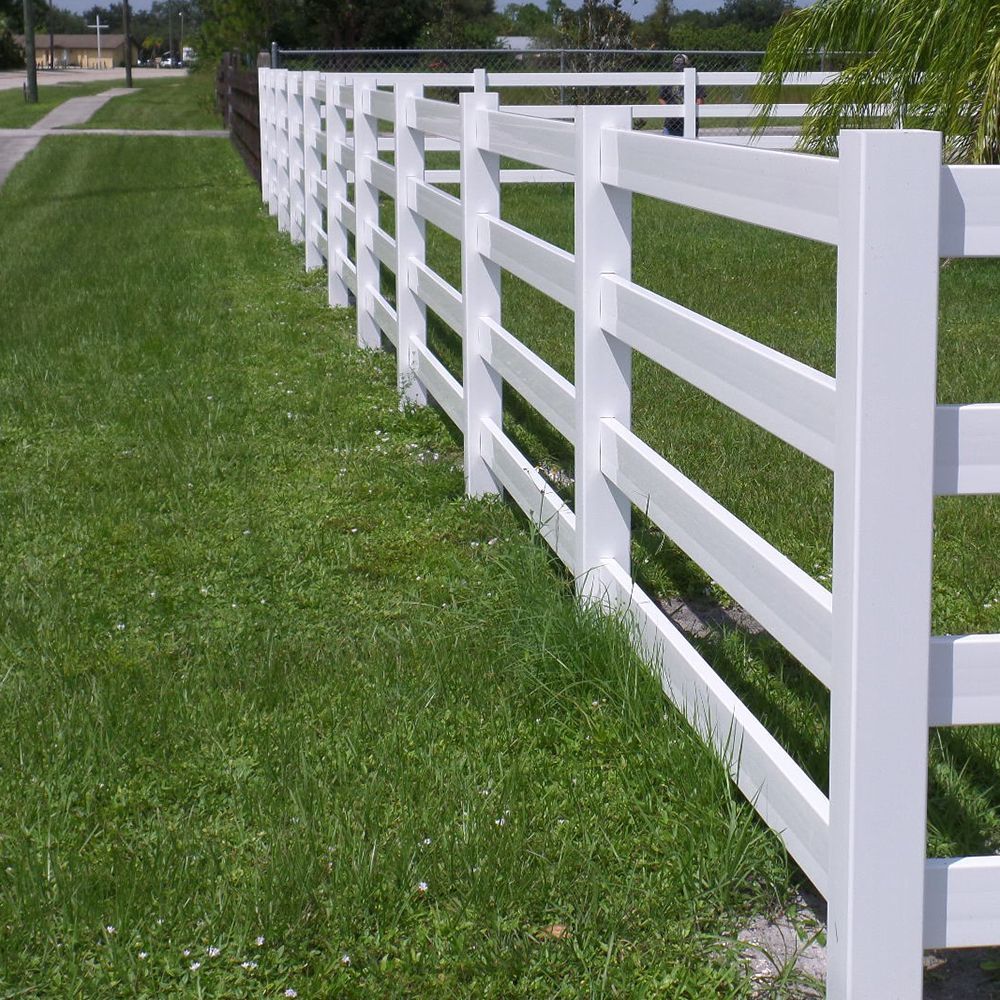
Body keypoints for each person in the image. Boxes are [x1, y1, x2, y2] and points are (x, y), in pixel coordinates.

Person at [659, 53, 706, 137]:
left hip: (689, 123)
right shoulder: (668, 78)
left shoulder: (694, 79)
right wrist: (669, 110)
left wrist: (692, 111)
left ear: (687, 65)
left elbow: (700, 99)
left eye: (681, 66)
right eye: (677, 65)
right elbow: (662, 98)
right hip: (671, 123)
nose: (678, 68)